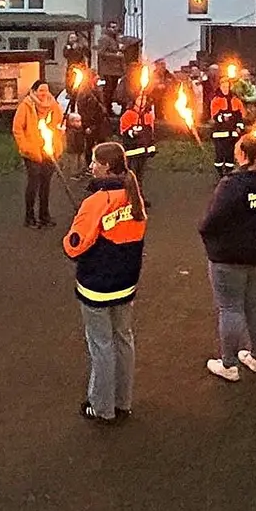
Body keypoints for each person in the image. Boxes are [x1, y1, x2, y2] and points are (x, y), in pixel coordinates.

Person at [64, 142, 147, 424]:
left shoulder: (96, 201)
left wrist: (77, 226)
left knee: (101, 344)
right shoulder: (133, 195)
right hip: (126, 281)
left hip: (98, 285)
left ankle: (102, 406)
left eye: (95, 162)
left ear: (107, 166)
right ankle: (123, 401)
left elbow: (74, 246)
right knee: (124, 338)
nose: (91, 166)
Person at [198, 132, 256, 381]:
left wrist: (205, 232)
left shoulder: (232, 184)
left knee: (230, 307)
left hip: (229, 255)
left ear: (243, 154)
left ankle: (229, 364)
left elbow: (213, 219)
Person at [12, 80, 65, 228]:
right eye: (41, 90)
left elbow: (58, 122)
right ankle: (29, 217)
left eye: (46, 90)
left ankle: (44, 215)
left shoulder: (53, 105)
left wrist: (60, 130)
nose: (44, 93)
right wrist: (26, 147)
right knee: (33, 183)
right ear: (34, 91)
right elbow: (18, 129)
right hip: (32, 151)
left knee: (46, 184)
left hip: (49, 150)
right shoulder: (26, 106)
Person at [118, 92, 158, 193]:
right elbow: (123, 132)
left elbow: (150, 133)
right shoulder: (128, 115)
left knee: (140, 176)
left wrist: (151, 147)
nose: (142, 102)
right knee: (132, 176)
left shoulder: (148, 115)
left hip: (144, 150)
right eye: (140, 99)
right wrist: (132, 132)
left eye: (144, 99)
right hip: (133, 151)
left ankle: (139, 196)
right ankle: (129, 196)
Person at [208, 75, 247, 176]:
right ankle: (220, 172)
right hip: (219, 134)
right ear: (220, 87)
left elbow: (240, 116)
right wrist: (222, 118)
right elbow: (214, 115)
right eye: (223, 86)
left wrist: (239, 127)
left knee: (230, 155)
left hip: (232, 134)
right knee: (220, 155)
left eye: (227, 86)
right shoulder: (216, 100)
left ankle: (229, 173)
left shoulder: (236, 101)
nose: (225, 88)